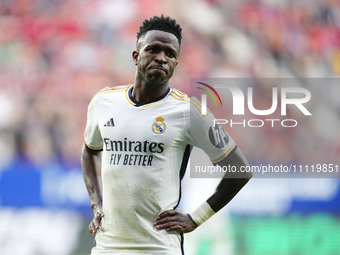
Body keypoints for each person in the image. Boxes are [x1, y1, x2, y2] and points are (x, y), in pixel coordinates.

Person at [81, 15, 252, 255]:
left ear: (176, 63)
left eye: (170, 54)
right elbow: (90, 151)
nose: (161, 58)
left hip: (158, 248)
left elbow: (240, 170)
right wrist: (97, 203)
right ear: (135, 56)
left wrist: (195, 218)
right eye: (153, 49)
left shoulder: (190, 111)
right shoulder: (103, 102)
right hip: (106, 248)